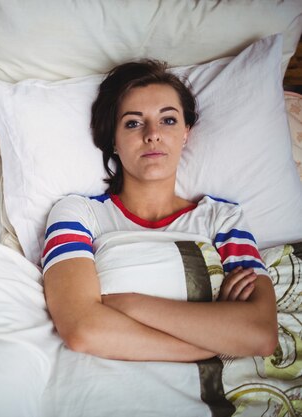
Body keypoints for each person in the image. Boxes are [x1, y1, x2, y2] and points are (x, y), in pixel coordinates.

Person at [42, 60, 278, 361]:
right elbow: (82, 330)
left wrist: (125, 303)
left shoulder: (223, 218)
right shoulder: (77, 214)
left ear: (185, 133)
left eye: (168, 120)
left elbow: (260, 334)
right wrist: (217, 333)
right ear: (112, 140)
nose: (152, 134)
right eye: (133, 122)